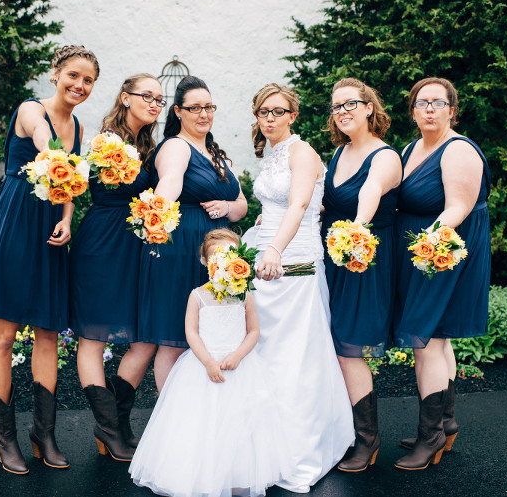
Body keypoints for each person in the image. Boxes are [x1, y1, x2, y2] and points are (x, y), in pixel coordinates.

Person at [0, 45, 99, 474]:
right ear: (55, 73)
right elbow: (46, 145)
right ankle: (4, 436)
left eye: (88, 81)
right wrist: (54, 152)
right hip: (17, 222)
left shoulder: (78, 127)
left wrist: (67, 218)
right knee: (5, 335)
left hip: (51, 229)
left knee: (48, 333)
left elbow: (70, 184)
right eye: (73, 76)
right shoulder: (32, 110)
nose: (79, 86)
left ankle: (43, 434)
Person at [245, 83, 354, 492]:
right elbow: (277, 204)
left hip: (294, 262)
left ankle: (302, 450)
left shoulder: (302, 151)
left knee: (295, 359)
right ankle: (270, 446)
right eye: (262, 113)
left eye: (277, 112)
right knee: (268, 354)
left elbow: (300, 204)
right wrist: (261, 227)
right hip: (267, 259)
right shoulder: (273, 153)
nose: (269, 119)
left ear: (293, 115)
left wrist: (275, 245)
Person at [130, 229, 291, 497]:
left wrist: (238, 355)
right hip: (203, 367)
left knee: (239, 423)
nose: (224, 262)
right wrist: (207, 361)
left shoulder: (245, 296)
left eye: (230, 255)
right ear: (205, 262)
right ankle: (198, 474)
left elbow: (253, 331)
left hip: (239, 369)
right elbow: (191, 333)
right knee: (200, 422)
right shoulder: (197, 296)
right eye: (216, 257)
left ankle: (237, 473)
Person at [392, 77, 491, 470]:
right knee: (439, 336)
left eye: (437, 102)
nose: (429, 108)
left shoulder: (458, 150)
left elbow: (459, 206)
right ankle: (445, 423)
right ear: (413, 110)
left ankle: (430, 436)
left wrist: (427, 243)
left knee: (425, 338)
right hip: (422, 248)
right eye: (421, 102)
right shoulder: (410, 148)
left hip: (444, 249)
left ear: (452, 108)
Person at [69, 74, 164, 461]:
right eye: (147, 96)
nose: (155, 103)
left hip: (137, 246)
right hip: (103, 243)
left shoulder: (149, 145)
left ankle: (118, 423)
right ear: (125, 98)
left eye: (160, 98)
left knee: (146, 336)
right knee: (94, 337)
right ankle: (110, 428)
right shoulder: (107, 141)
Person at [137, 76, 247, 391]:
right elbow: (170, 181)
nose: (203, 114)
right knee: (175, 336)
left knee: (214, 332)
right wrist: (156, 214)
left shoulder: (218, 154)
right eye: (194, 108)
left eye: (208, 107)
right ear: (178, 112)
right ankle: (169, 419)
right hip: (181, 247)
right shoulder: (176, 146)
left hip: (218, 251)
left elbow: (242, 204)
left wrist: (226, 208)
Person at [321, 78, 402, 472]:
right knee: (330, 344)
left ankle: (367, 440)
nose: (343, 112)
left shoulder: (385, 157)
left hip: (361, 259)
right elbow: (321, 203)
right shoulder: (338, 154)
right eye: (337, 106)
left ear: (370, 107)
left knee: (349, 348)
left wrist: (355, 228)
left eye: (350, 103)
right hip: (329, 257)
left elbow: (369, 192)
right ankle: (342, 432)